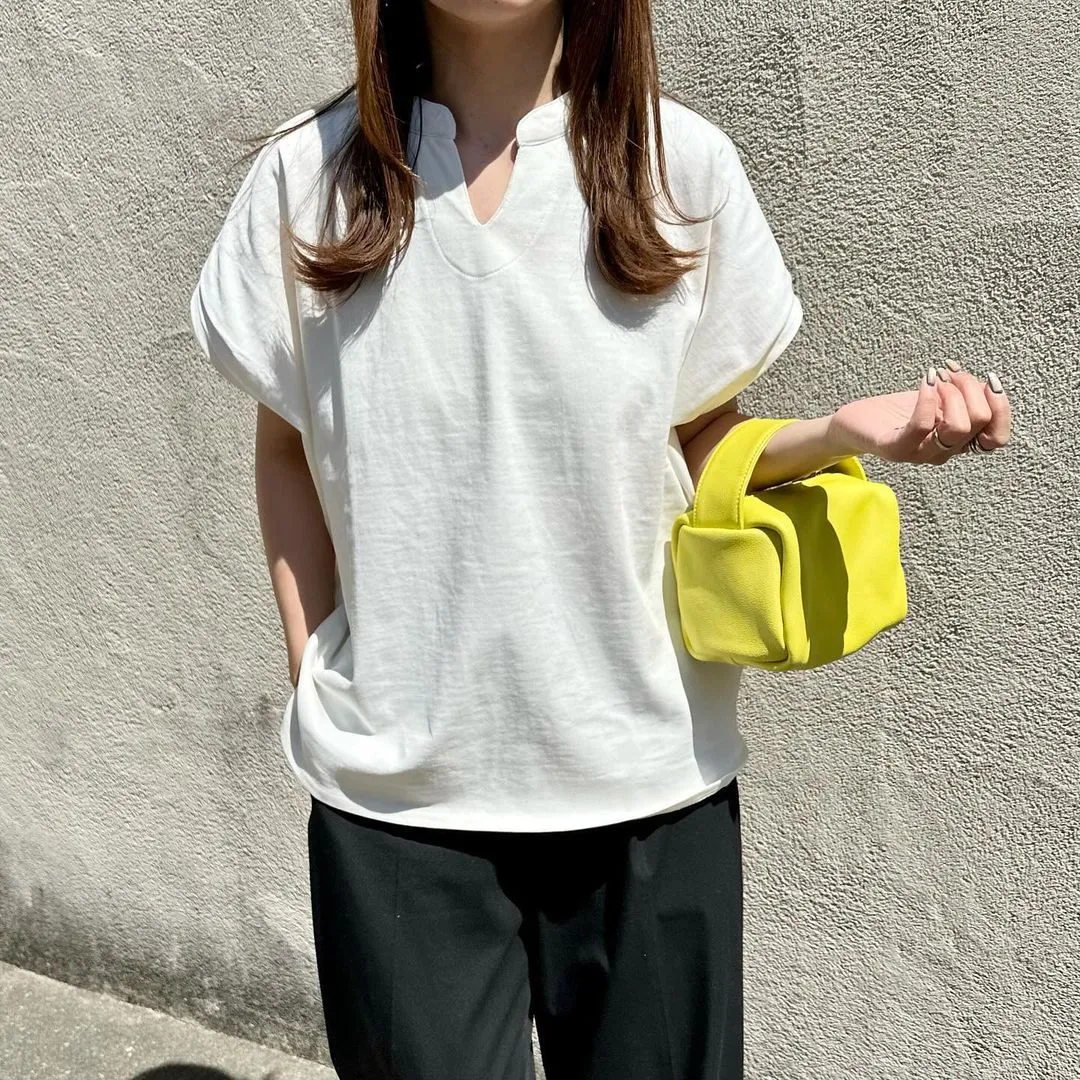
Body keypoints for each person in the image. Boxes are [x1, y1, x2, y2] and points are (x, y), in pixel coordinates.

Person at [188, 2, 1012, 1077]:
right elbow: (287, 447)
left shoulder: (680, 169)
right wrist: (314, 666)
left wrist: (842, 434)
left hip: (647, 784)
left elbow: (696, 444)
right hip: (394, 802)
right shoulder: (308, 180)